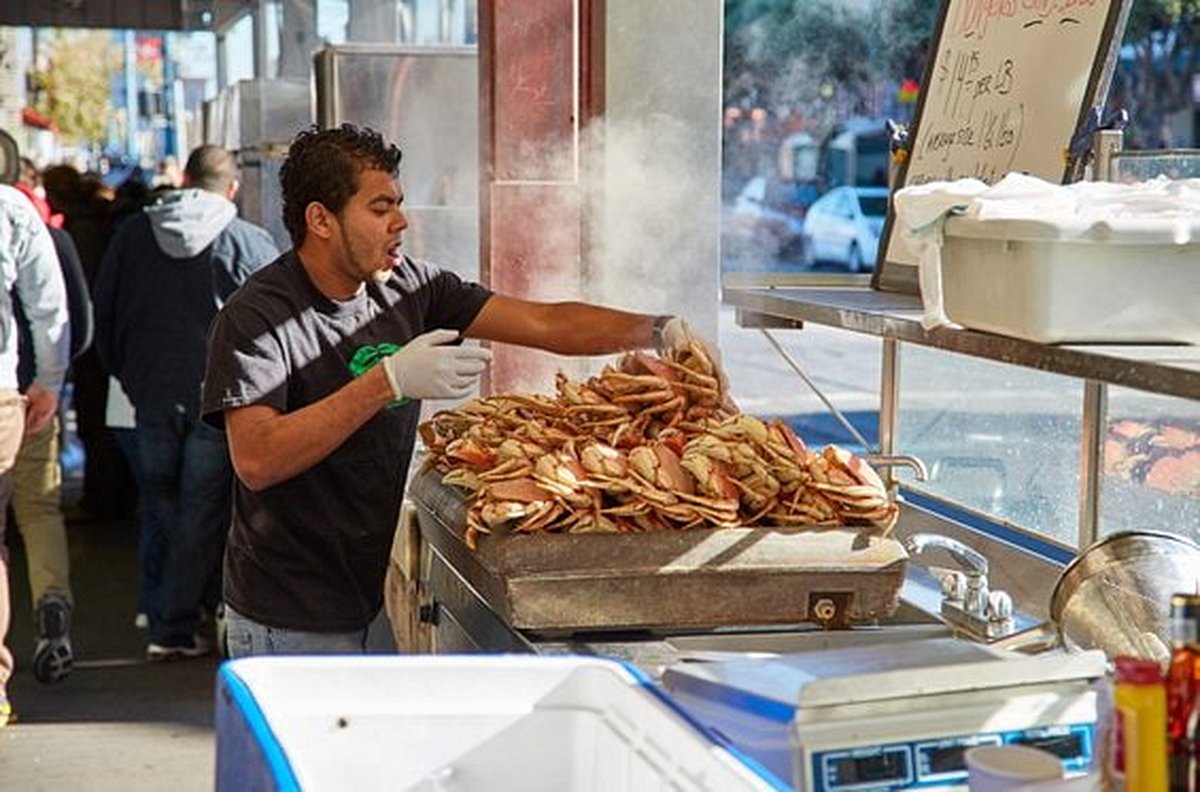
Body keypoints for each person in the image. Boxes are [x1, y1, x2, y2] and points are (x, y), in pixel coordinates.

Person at [202, 124, 712, 657]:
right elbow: (258, 458)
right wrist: (387, 381)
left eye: (398, 204)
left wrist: (658, 329)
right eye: (379, 209)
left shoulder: (410, 289)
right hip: (284, 618)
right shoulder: (257, 316)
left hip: (362, 595)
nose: (400, 221)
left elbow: (545, 323)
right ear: (320, 219)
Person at [95, 145, 279, 660]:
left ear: (183, 179)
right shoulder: (249, 241)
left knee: (160, 503)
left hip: (146, 392)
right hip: (219, 399)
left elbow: (103, 310)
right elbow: (276, 329)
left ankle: (167, 615)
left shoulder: (132, 235)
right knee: (203, 508)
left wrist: (125, 374)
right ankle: (177, 622)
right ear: (232, 188)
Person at [9, 178, 93, 684]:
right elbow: (73, 321)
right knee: (38, 510)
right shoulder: (41, 232)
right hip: (31, 395)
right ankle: (52, 607)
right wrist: (52, 381)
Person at [0, 183, 70, 722]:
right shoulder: (14, 211)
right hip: (10, 395)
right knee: (31, 513)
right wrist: (50, 378)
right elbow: (54, 310)